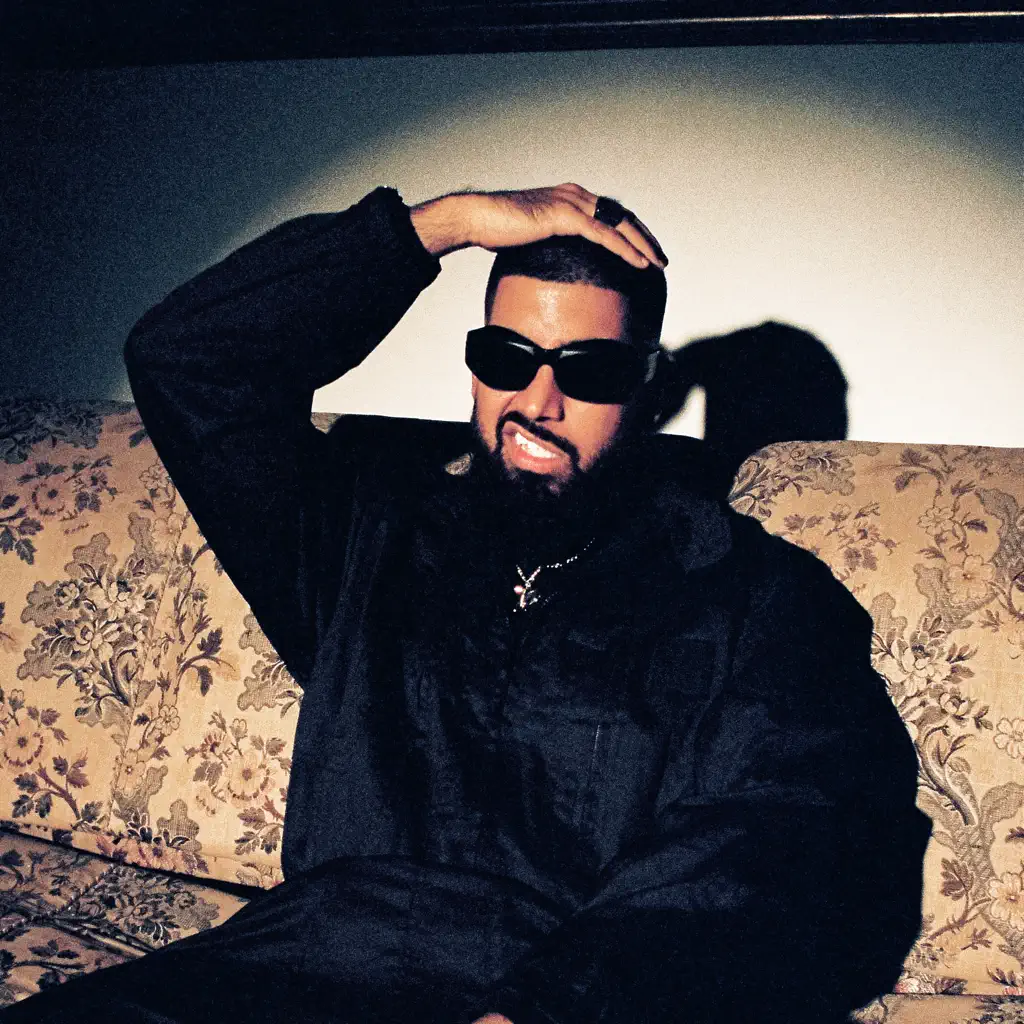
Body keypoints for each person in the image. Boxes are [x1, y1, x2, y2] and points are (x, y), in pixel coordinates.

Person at [6, 184, 930, 1023]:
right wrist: (438, 228)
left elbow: (777, 831)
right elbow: (189, 362)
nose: (537, 401)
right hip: (306, 962)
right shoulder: (366, 538)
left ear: (647, 389)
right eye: (505, 356)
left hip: (571, 983)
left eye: (590, 372)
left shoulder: (752, 596)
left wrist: (559, 1004)